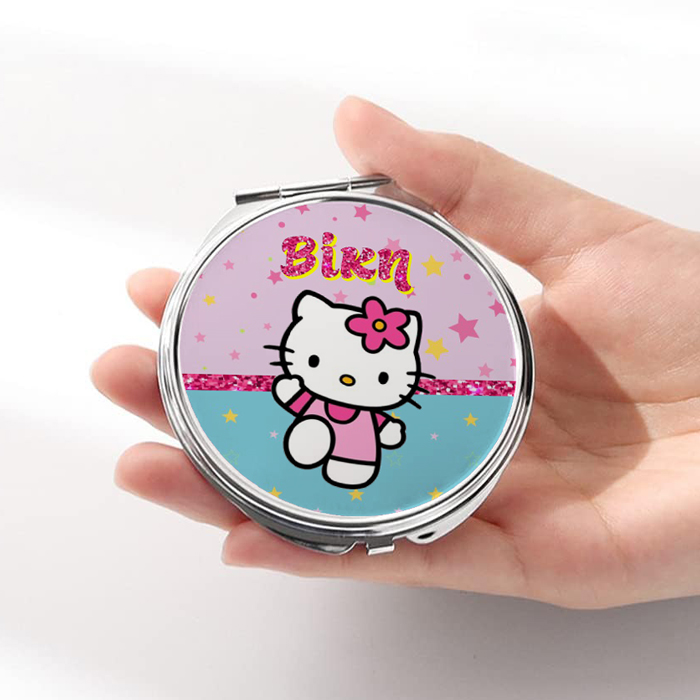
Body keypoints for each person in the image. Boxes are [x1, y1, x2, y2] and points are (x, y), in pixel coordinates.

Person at [90, 96, 700, 609]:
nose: (344, 378)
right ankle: (319, 442)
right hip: (363, 460)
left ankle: (340, 453)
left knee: (358, 445)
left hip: (409, 457)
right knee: (316, 432)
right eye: (320, 364)